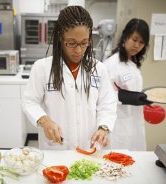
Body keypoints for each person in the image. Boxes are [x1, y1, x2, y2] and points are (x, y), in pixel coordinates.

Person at [22, 6, 117, 150]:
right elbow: (30, 101)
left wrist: (103, 128)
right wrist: (44, 121)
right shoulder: (42, 68)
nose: (78, 50)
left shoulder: (99, 69)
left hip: (89, 148)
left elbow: (107, 104)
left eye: (84, 42)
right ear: (60, 37)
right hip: (56, 148)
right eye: (72, 43)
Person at [103, 18, 152, 151]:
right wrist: (127, 97)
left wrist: (143, 100)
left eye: (141, 42)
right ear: (125, 36)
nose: (137, 45)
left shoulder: (133, 63)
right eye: (134, 39)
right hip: (118, 124)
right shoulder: (111, 64)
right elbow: (102, 95)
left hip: (134, 122)